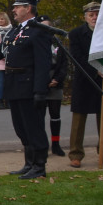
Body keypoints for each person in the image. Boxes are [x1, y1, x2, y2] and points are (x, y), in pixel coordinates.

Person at [0, 0, 51, 179]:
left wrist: (41, 90)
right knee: (21, 128)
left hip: (29, 86)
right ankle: (29, 163)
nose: (14, 10)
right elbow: (0, 50)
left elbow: (43, 63)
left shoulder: (39, 31)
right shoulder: (16, 31)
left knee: (34, 127)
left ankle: (39, 166)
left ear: (28, 8)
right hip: (14, 86)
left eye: (18, 6)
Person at [67, 2, 103, 168]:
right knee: (79, 119)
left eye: (97, 14)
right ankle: (75, 154)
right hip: (84, 80)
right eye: (91, 15)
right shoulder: (76, 34)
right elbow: (77, 57)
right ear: (85, 17)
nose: (94, 17)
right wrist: (96, 70)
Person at [40, 16, 67, 156]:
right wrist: (43, 80)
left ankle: (56, 144)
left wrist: (57, 79)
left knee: (55, 115)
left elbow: (64, 64)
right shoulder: (36, 43)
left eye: (48, 26)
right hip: (41, 83)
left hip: (56, 83)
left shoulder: (58, 43)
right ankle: (42, 146)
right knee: (39, 116)